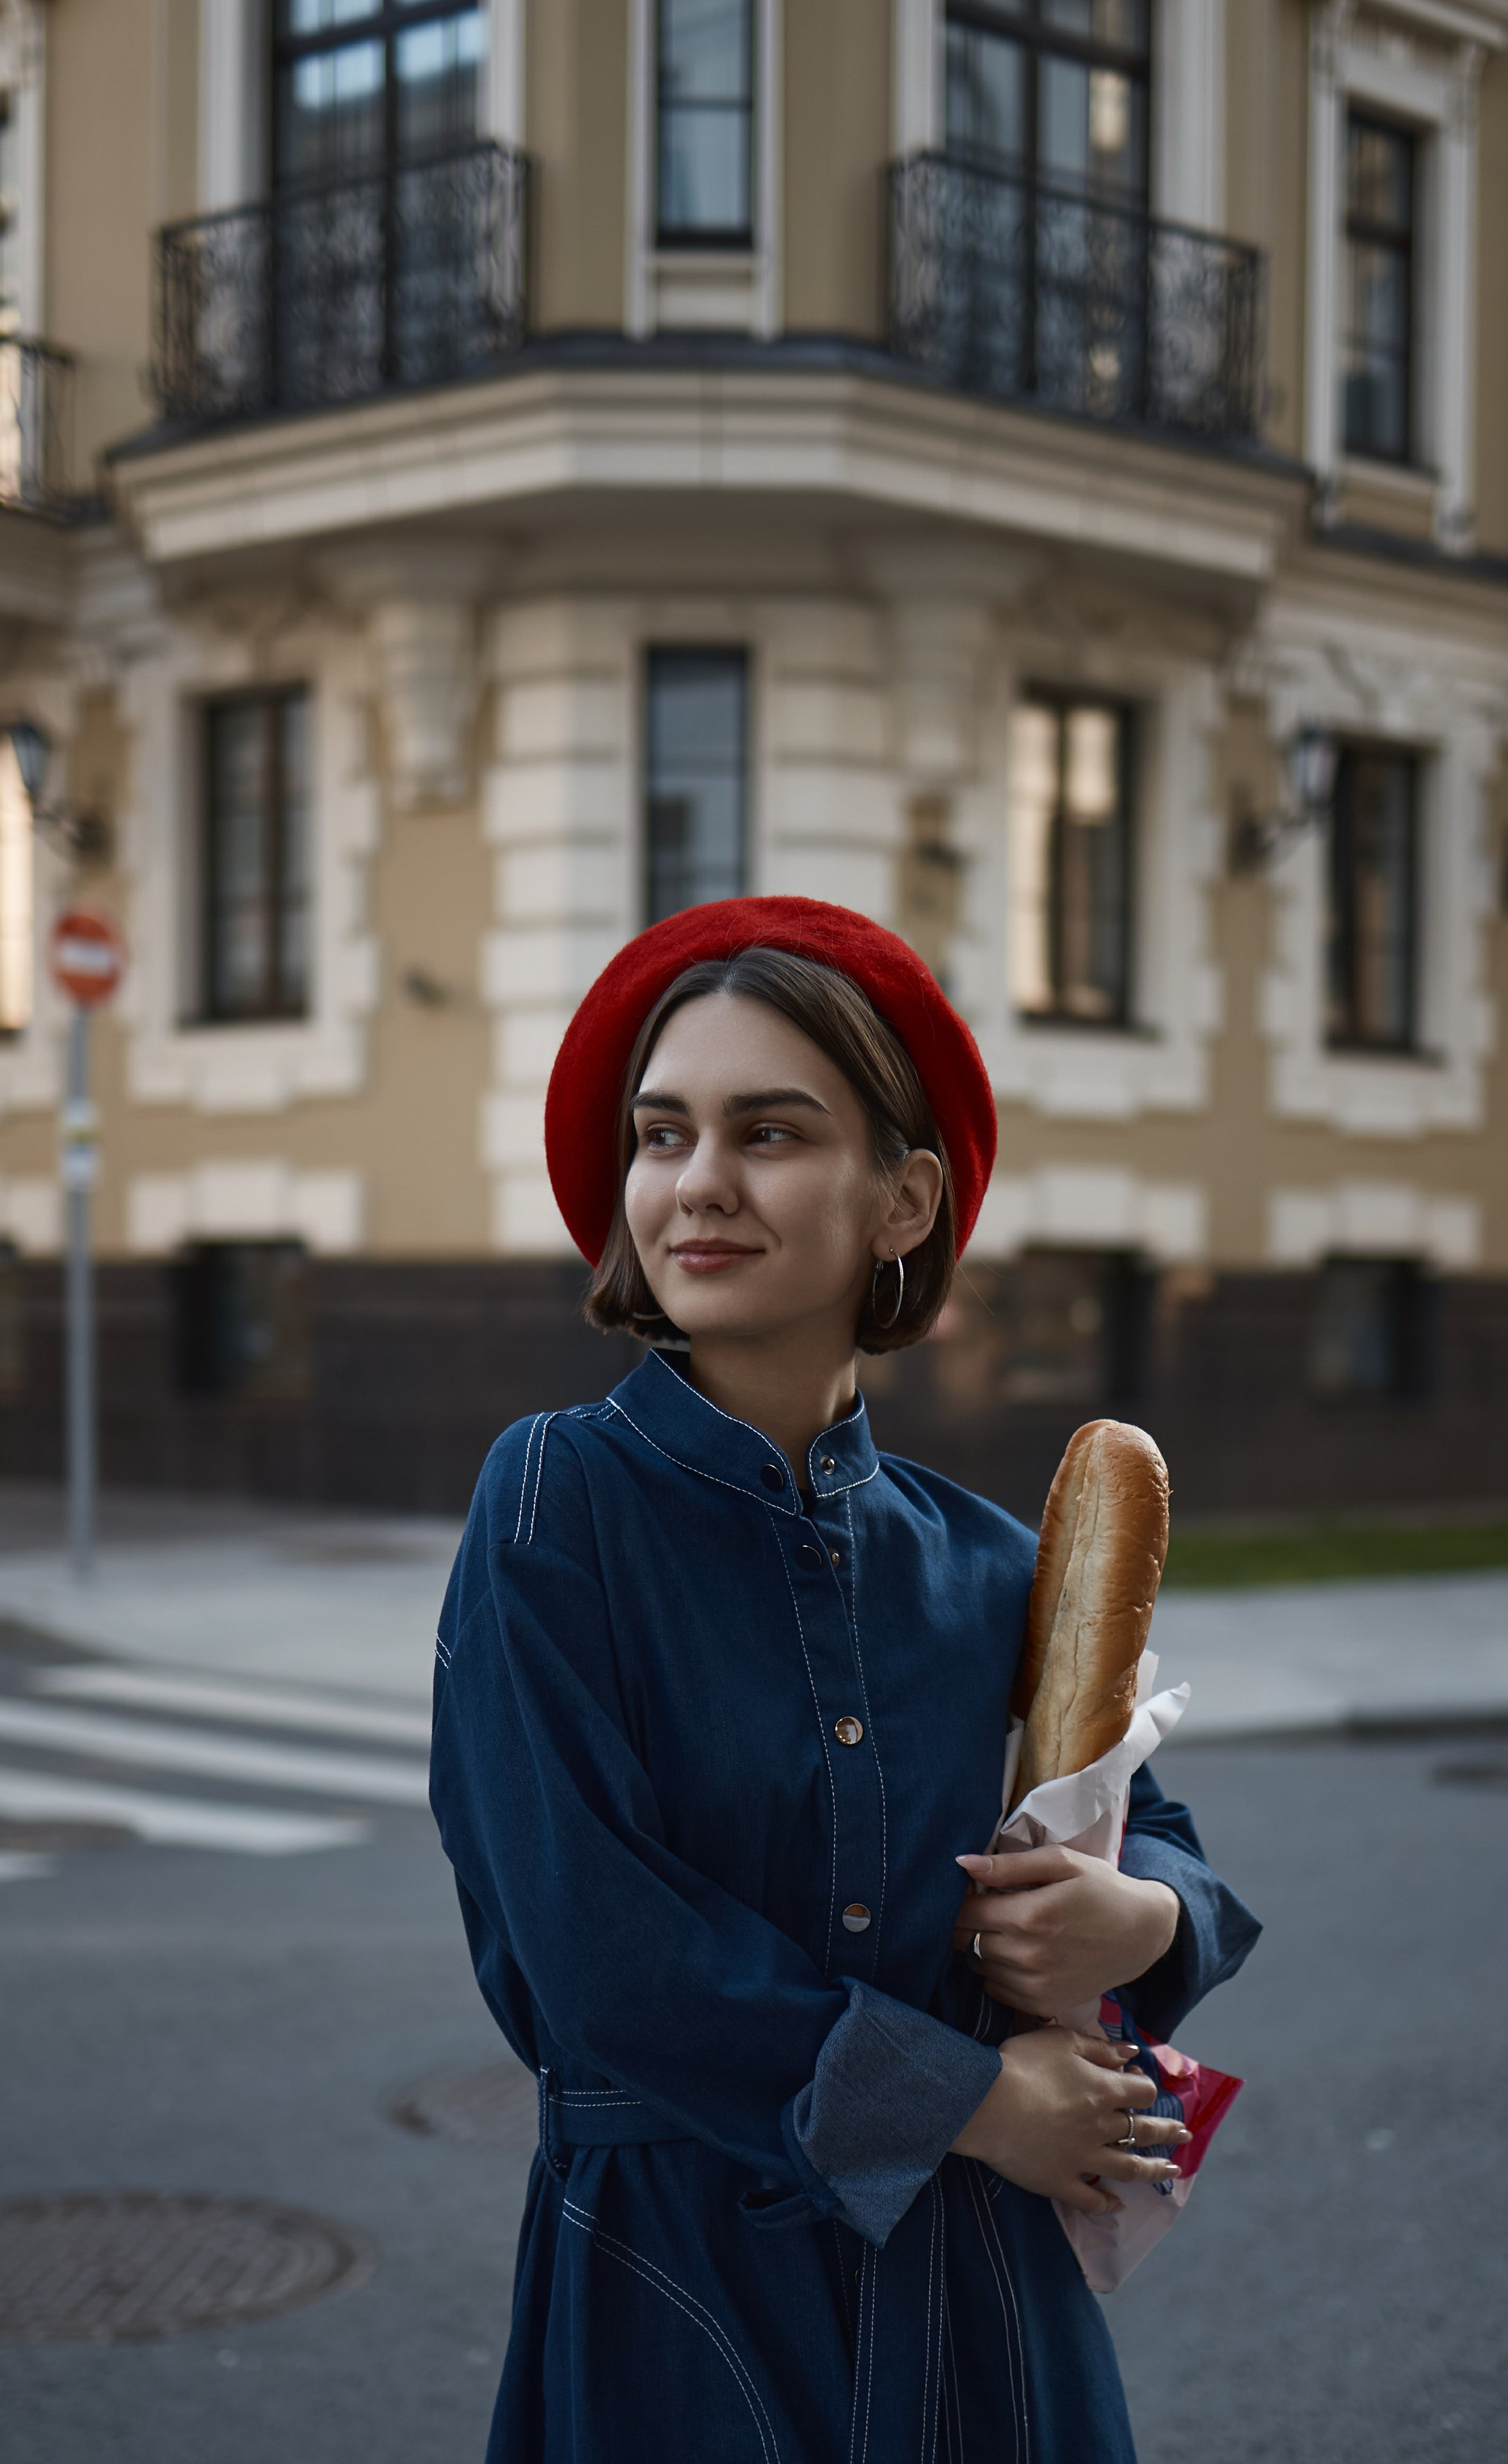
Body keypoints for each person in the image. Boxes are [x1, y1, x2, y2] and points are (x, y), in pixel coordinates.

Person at [430, 897, 1260, 2464]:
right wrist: (969, 2101)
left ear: (903, 1199)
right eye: (663, 1134)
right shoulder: (555, 1499)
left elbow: (1163, 1845)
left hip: (988, 2296)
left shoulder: (987, 1556)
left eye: (772, 1132)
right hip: (684, 2284)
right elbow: (592, 1949)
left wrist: (1139, 1914)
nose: (701, 1184)